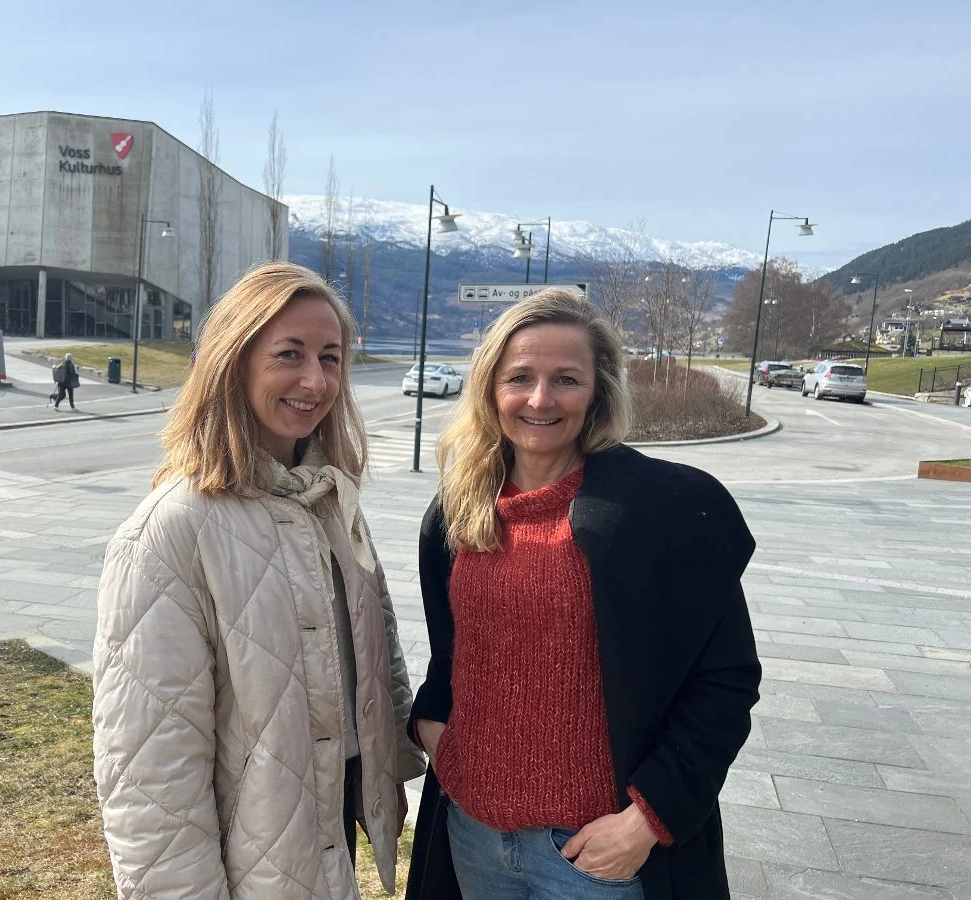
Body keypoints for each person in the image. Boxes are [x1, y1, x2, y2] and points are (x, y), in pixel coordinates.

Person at [405, 289, 760, 900]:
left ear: (598, 390)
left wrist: (648, 820)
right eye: (520, 377)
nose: (540, 399)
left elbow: (725, 680)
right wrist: (436, 733)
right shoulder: (458, 511)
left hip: (594, 855)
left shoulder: (664, 509)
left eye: (566, 379)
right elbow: (451, 658)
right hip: (476, 835)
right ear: (490, 388)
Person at [93, 262, 425, 899]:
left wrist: (392, 765)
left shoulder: (329, 499)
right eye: (289, 354)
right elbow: (150, 773)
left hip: (326, 826)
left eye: (330, 358)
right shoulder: (171, 529)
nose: (315, 380)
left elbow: (375, 649)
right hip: (247, 856)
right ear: (233, 361)